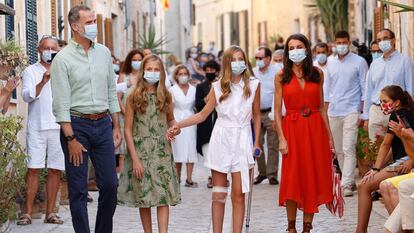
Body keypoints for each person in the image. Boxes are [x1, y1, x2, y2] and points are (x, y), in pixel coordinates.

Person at [168, 45, 261, 233]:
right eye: (233, 60)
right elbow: (202, 115)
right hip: (221, 139)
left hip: (242, 140)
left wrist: (257, 142)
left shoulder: (253, 84)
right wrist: (179, 124)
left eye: (241, 59)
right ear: (227, 63)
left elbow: (257, 116)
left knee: (238, 195)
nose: (238, 63)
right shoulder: (217, 87)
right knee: (218, 194)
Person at [50, 5, 121, 233]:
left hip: (103, 125)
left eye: (94, 21)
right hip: (76, 126)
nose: (94, 26)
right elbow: (60, 102)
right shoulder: (62, 59)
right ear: (75, 26)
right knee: (78, 189)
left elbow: (111, 91)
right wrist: (70, 138)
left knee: (110, 184)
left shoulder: (104, 53)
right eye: (89, 22)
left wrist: (116, 125)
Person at [274, 33, 334, 233]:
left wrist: (330, 137)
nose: (295, 51)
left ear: (307, 49)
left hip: (315, 130)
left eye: (299, 46)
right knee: (292, 179)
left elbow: (322, 108)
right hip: (291, 130)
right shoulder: (281, 76)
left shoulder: (318, 74)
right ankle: (291, 227)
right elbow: (276, 111)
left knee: (311, 178)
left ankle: (307, 227)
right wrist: (281, 138)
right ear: (286, 52)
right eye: (291, 48)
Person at [117, 55, 181, 233]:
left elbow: (171, 120)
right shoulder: (132, 96)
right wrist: (135, 160)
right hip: (140, 151)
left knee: (163, 196)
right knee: (143, 196)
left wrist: (176, 128)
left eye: (156, 69)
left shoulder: (166, 96)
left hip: (161, 151)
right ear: (143, 71)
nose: (153, 73)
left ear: (161, 73)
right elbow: (128, 129)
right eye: (150, 69)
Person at [17, 35, 64, 226]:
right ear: (38, 50)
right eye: (45, 48)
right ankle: (27, 213)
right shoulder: (30, 71)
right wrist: (42, 82)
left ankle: (50, 212)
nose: (49, 51)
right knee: (33, 169)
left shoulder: (63, 70)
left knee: (55, 170)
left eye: (53, 48)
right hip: (37, 127)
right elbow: (27, 96)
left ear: (58, 51)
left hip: (59, 126)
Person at [356, 85, 414, 233]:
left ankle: (361, 231)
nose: (382, 104)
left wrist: (376, 169)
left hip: (405, 161)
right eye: (380, 101)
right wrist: (380, 167)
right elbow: (393, 145)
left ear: (396, 102)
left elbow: (386, 144)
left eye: (385, 101)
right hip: (402, 160)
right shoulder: (404, 112)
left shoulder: (398, 115)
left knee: (363, 186)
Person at [325, 30, 368, 197]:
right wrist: (325, 111)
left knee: (348, 147)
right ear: (334, 43)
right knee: (339, 150)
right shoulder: (330, 63)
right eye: (338, 43)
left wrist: (362, 112)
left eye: (344, 42)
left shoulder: (359, 62)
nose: (341, 46)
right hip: (333, 111)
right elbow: (327, 89)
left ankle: (347, 184)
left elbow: (364, 87)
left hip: (351, 110)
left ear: (349, 42)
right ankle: (347, 179)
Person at [362, 29, 414, 142]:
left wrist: (409, 112)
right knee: (375, 148)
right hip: (376, 111)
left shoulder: (405, 61)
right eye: (379, 40)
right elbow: (369, 91)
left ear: (393, 40)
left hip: (397, 111)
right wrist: (366, 117)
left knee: (398, 149)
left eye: (385, 38)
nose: (382, 42)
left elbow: (410, 88)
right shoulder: (374, 64)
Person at [252, 46, 281, 185]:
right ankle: (262, 172)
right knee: (257, 143)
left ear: (268, 59)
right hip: (256, 113)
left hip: (271, 113)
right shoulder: (252, 72)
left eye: (260, 58)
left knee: (273, 144)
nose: (258, 60)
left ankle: (272, 174)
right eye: (256, 58)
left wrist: (276, 115)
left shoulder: (277, 72)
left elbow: (278, 93)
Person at [169, 65, 198, 187]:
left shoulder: (193, 89)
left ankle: (189, 179)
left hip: (191, 120)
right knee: (178, 148)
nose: (183, 76)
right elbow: (170, 108)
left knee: (191, 148)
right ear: (176, 76)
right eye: (180, 74)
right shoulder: (172, 90)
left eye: (185, 73)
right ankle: (177, 177)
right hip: (177, 120)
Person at [117, 49, 144, 176]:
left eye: (139, 60)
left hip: (141, 116)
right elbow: (117, 97)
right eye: (134, 60)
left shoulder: (145, 76)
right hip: (124, 116)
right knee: (124, 149)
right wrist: (125, 112)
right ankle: (122, 176)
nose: (137, 62)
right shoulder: (124, 75)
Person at [195, 60, 220, 188]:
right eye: (207, 70)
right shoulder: (201, 87)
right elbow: (197, 105)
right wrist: (208, 98)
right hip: (205, 126)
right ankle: (212, 177)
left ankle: (219, 177)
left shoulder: (221, 85)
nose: (210, 72)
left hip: (219, 124)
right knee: (207, 153)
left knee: (218, 153)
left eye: (212, 70)